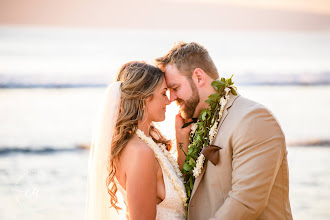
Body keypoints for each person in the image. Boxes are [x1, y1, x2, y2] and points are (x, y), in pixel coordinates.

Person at [155, 42, 293, 220]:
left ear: (198, 77)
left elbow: (245, 203)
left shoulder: (254, 119)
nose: (171, 98)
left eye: (175, 88)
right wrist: (182, 142)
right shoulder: (196, 123)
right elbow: (188, 194)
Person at [86, 61, 187, 220]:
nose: (168, 101)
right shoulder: (139, 152)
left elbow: (174, 186)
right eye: (163, 93)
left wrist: (182, 141)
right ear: (144, 97)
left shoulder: (147, 144)